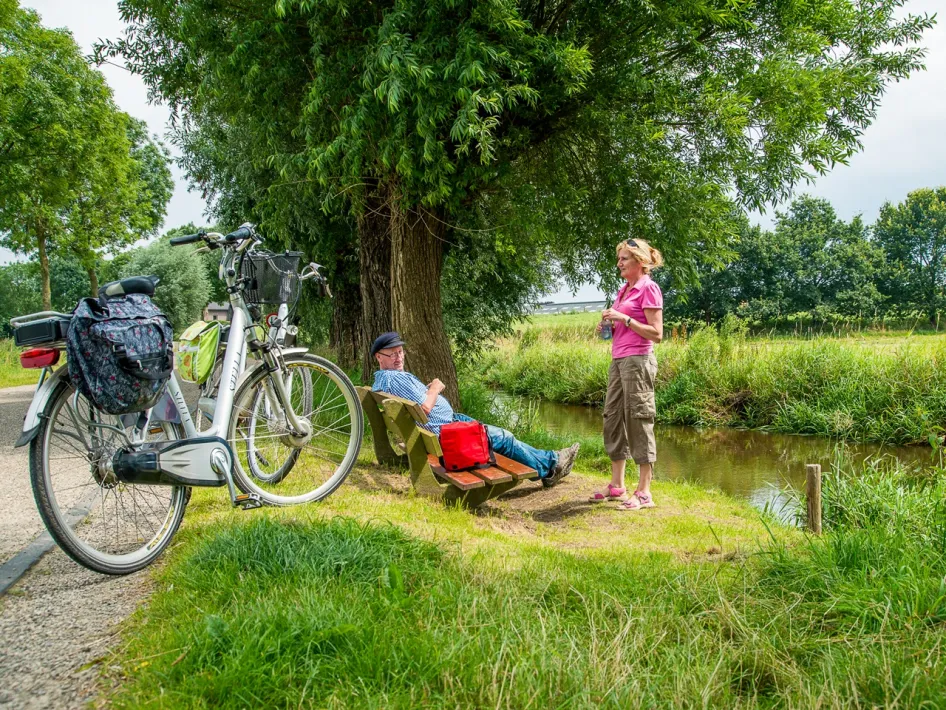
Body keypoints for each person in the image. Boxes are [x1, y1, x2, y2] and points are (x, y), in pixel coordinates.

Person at [370, 331, 579, 487]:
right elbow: (424, 409)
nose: (398, 358)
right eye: (392, 354)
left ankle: (549, 461)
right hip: (445, 437)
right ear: (379, 357)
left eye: (400, 352)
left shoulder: (383, 380)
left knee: (498, 438)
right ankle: (550, 466)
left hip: (441, 429)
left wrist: (428, 392)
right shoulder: (394, 378)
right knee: (503, 438)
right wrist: (435, 387)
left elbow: (416, 405)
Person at [588, 238, 664, 510]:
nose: (618, 263)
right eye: (619, 258)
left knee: (638, 419)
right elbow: (624, 326)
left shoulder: (649, 288)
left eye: (624, 259)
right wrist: (608, 326)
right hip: (619, 360)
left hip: (639, 361)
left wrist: (625, 319)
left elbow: (657, 334)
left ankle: (644, 492)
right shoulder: (624, 290)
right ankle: (617, 486)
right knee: (612, 417)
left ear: (640, 262)